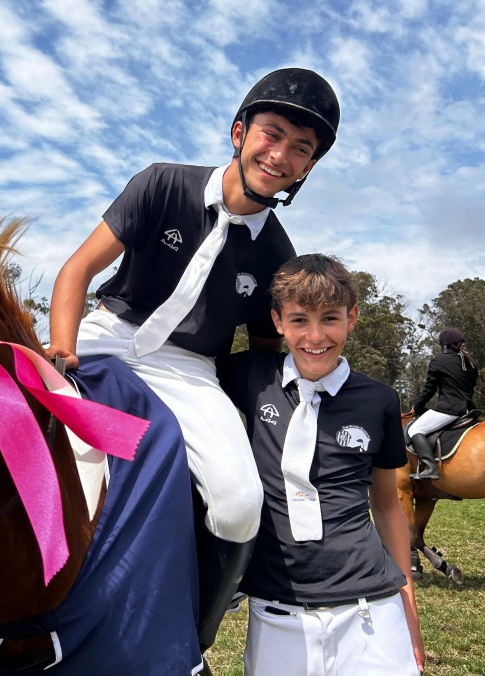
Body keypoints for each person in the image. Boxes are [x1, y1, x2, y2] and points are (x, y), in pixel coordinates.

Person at [45, 68, 340, 650]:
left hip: (190, 369)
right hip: (105, 335)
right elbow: (77, 270)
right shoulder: (162, 183)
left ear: (308, 168)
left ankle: (190, 642)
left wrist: (246, 411)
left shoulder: (280, 255)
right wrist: (60, 351)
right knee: (5, 421)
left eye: (300, 149)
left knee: (237, 506)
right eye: (271, 134)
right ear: (239, 132)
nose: (280, 154)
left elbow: (262, 350)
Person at [218, 254, 425, 675]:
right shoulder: (249, 376)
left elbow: (386, 506)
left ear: (352, 318)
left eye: (330, 319)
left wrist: (408, 603)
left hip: (371, 606)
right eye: (299, 321)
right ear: (277, 322)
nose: (315, 337)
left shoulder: (380, 399)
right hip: (277, 609)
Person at [407, 327, 478, 480]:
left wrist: (417, 407)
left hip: (449, 409)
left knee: (415, 429)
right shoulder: (470, 363)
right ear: (459, 344)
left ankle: (430, 467)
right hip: (467, 410)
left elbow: (429, 390)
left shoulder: (438, 362)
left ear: (444, 345)